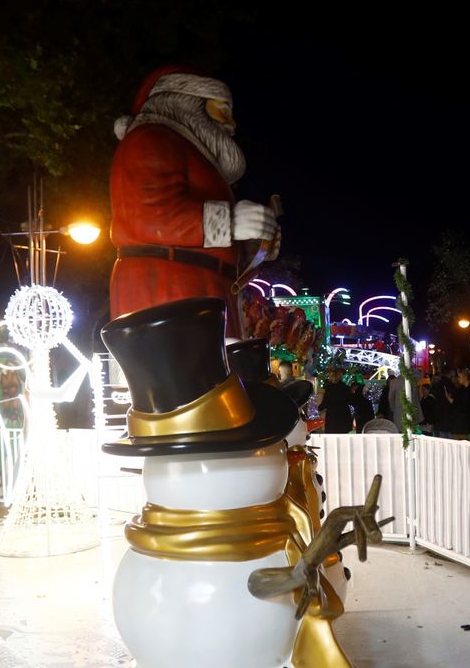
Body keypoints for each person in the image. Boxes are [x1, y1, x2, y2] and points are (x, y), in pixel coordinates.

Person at [108, 67, 281, 320]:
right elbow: (147, 216)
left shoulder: (193, 157)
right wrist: (230, 222)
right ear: (188, 103)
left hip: (202, 291)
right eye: (221, 111)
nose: (231, 125)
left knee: (210, 358)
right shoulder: (150, 140)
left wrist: (252, 245)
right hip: (167, 290)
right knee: (187, 359)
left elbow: (207, 243)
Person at [316, 367, 354, 434]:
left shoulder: (329, 388)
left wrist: (319, 408)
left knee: (332, 437)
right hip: (344, 415)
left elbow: (326, 402)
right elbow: (350, 401)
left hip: (332, 416)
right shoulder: (346, 388)